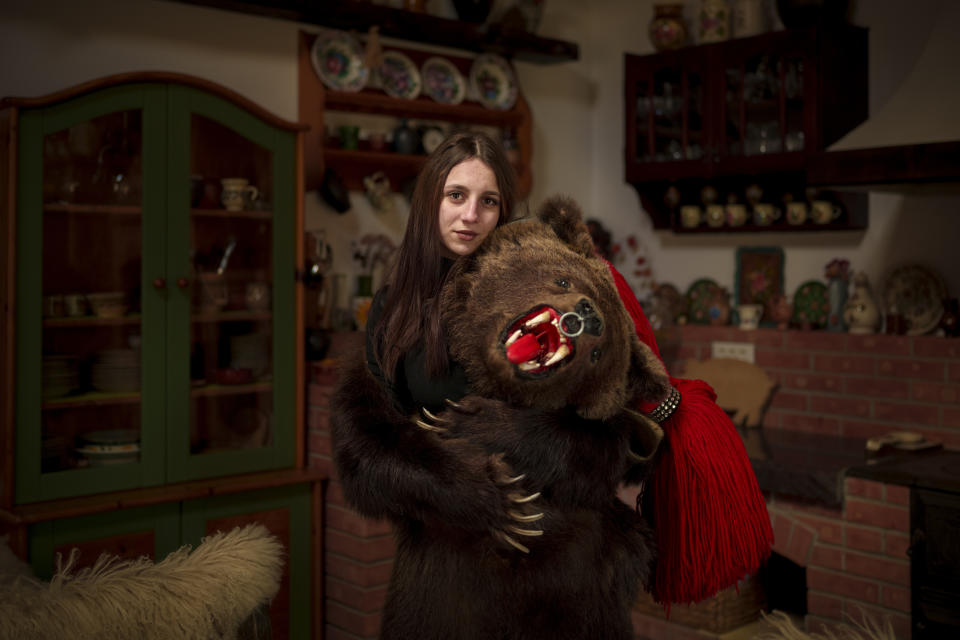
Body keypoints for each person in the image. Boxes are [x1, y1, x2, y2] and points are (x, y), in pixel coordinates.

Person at [365, 130, 518, 413]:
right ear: (430, 201)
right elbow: (379, 429)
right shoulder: (393, 304)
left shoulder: (522, 299)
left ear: (502, 213)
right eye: (456, 195)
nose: (471, 215)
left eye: (488, 201)